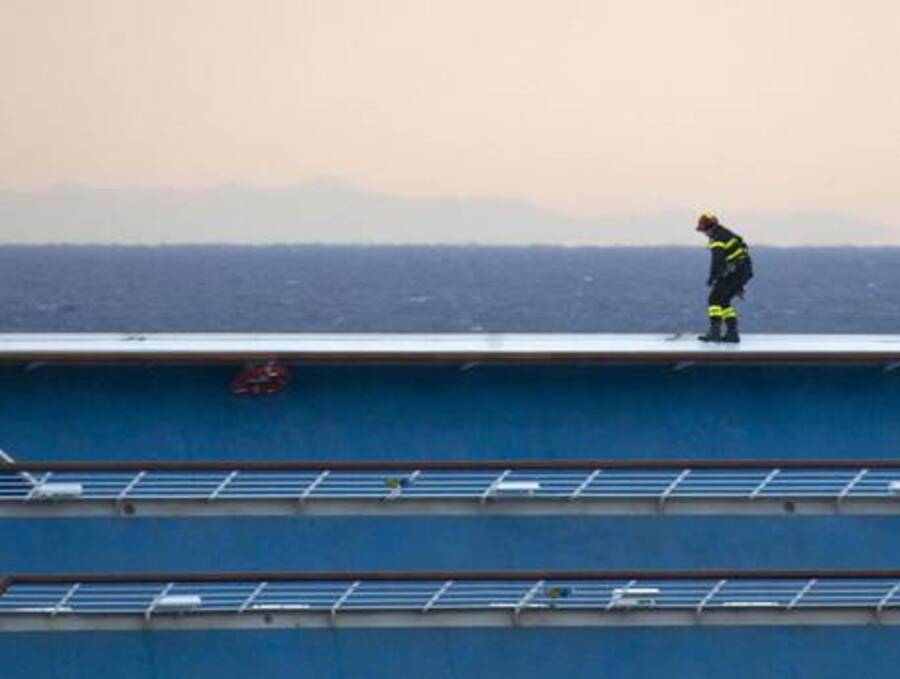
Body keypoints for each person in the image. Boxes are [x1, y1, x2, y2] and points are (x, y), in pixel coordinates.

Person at [696, 213, 753, 343]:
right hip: (743, 272)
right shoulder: (726, 234)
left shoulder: (718, 239)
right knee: (724, 301)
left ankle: (715, 332)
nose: (704, 234)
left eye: (704, 230)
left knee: (714, 300)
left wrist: (712, 277)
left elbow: (717, 260)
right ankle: (732, 333)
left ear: (707, 228)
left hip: (734, 273)